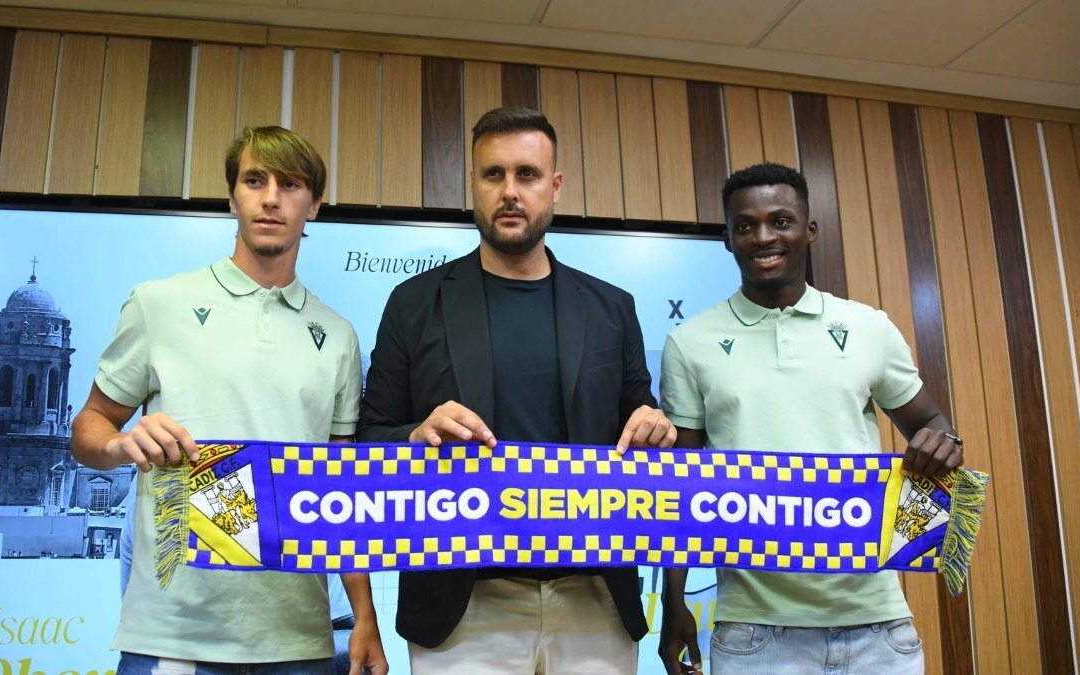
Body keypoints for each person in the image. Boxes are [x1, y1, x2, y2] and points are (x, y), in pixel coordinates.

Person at [357, 106, 677, 674]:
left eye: (527, 175)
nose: (510, 191)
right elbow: (366, 442)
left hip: (595, 599)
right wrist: (415, 435)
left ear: (553, 187)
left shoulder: (612, 308)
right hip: (461, 605)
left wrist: (655, 427)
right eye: (493, 174)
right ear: (473, 187)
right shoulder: (414, 303)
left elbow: (642, 423)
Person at [70, 126, 388, 675]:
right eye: (254, 180)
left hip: (299, 637)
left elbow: (343, 488)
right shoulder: (158, 304)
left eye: (290, 184)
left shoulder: (339, 336)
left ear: (313, 204)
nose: (270, 198)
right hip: (174, 633)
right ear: (232, 196)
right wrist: (122, 444)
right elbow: (89, 428)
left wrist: (365, 614)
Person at [657, 162, 964, 675]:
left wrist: (944, 442)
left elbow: (932, 422)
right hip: (755, 631)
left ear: (809, 230)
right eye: (745, 226)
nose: (763, 237)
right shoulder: (689, 344)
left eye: (781, 221)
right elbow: (679, 488)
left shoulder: (869, 327)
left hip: (878, 627)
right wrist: (673, 603)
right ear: (728, 240)